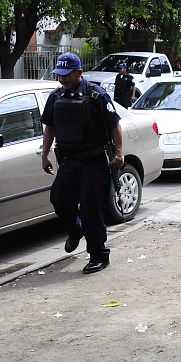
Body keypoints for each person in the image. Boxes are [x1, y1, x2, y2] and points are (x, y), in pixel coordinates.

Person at [40, 52, 123, 274]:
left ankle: (98, 255)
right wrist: (44, 154)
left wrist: (119, 154)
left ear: (79, 73)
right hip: (70, 160)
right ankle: (75, 229)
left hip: (94, 161)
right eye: (59, 75)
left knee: (90, 210)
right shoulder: (56, 97)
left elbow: (114, 125)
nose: (63, 79)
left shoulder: (96, 95)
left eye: (67, 75)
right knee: (59, 199)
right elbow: (50, 127)